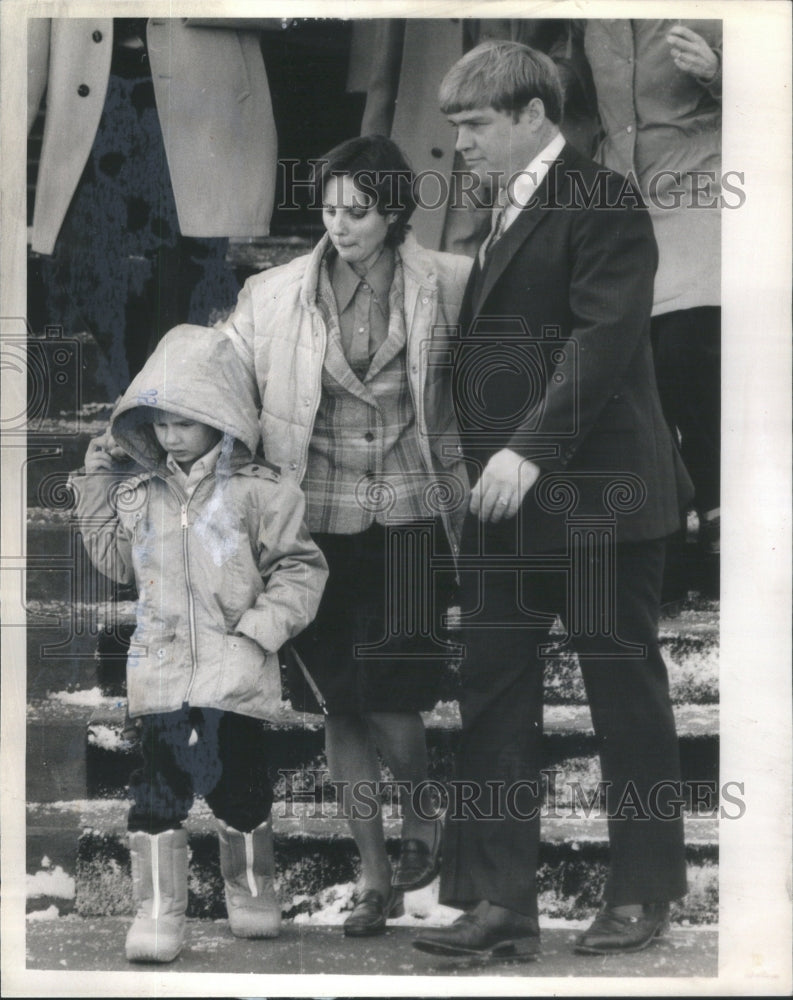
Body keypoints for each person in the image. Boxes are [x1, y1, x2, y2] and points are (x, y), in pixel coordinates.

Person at [412, 41, 694, 962]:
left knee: (625, 698)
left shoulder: (601, 197)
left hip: (601, 500)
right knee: (491, 694)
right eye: (455, 127)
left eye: (475, 125)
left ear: (534, 115)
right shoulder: (499, 207)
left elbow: (602, 340)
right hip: (509, 508)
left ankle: (642, 894)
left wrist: (527, 451)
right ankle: (500, 906)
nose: (461, 144)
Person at [218, 135, 472, 936]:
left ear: (394, 211)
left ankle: (425, 815)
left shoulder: (451, 283)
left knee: (394, 697)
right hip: (315, 523)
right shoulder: (273, 293)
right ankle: (372, 879)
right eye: (329, 209)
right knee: (340, 710)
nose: (340, 225)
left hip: (409, 514)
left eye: (358, 211)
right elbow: (225, 385)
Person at [70, 324, 327, 962]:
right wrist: (98, 479)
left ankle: (250, 892)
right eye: (158, 424)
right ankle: (157, 912)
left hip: (234, 669)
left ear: (223, 417)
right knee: (158, 789)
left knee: (239, 786)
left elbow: (299, 569)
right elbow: (114, 563)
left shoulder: (260, 491)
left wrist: (259, 632)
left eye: (186, 422)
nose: (170, 436)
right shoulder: (142, 492)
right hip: (160, 671)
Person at [27, 17, 279, 392]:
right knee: (77, 258)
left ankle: (161, 409)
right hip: (94, 91)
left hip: (199, 91)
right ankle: (139, 396)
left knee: (184, 269)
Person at [582, 20, 722, 593]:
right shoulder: (589, 16)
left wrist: (720, 72)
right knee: (633, 365)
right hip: (618, 195)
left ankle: (716, 514)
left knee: (684, 349)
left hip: (703, 187)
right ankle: (662, 525)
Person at [359, 18, 599, 256]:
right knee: (439, 261)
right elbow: (384, 67)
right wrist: (367, 158)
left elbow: (574, 35)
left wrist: (545, 83)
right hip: (437, 139)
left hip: (523, 134)